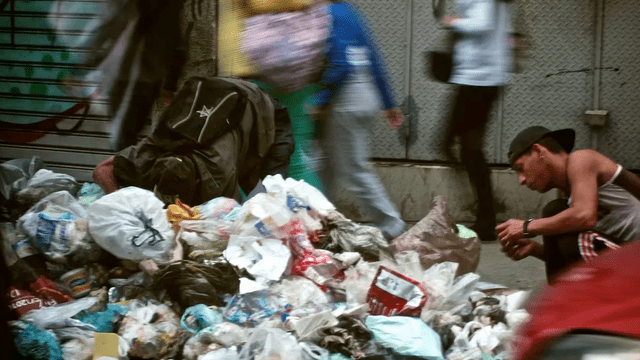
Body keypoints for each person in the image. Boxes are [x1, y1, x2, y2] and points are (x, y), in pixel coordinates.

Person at [307, 0, 406, 240]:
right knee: (324, 166)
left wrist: (319, 99)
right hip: (365, 94)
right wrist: (388, 101)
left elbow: (341, 64)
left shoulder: (326, 13)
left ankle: (394, 227)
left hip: (346, 99)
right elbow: (373, 57)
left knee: (354, 170)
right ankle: (318, 224)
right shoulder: (349, 12)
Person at [496, 126, 640, 284]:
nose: (521, 180)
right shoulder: (569, 193)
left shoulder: (581, 159)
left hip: (634, 263)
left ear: (538, 151)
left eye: (520, 168)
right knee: (556, 212)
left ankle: (583, 304)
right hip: (628, 256)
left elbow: (584, 216)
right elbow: (575, 255)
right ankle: (559, 301)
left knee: (567, 225)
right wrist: (536, 250)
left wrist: (526, 226)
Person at [440, 0, 512, 241]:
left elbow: (481, 24)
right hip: (479, 78)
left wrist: (454, 21)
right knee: (467, 150)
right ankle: (485, 213)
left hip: (477, 81)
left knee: (457, 146)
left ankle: (486, 214)